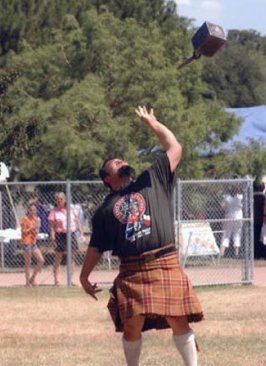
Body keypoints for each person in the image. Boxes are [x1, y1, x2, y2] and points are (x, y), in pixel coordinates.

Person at [80, 106, 203, 366]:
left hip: (164, 262)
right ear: (107, 179)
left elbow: (175, 147)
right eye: (115, 163)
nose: (121, 162)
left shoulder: (151, 179)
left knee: (177, 318)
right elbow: (96, 246)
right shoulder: (105, 209)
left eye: (122, 160)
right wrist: (83, 276)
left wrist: (153, 123)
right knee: (131, 326)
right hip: (133, 270)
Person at [48, 192, 84, 286]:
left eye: (61, 199)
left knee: (72, 258)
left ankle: (71, 279)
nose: (59, 201)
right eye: (57, 199)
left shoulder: (71, 209)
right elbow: (52, 227)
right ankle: (56, 280)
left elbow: (77, 221)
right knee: (58, 257)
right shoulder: (54, 211)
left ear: (65, 199)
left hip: (71, 234)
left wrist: (81, 233)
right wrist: (53, 238)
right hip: (60, 235)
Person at [20, 202, 44, 287]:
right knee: (28, 263)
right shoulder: (25, 219)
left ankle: (32, 278)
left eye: (34, 210)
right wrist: (32, 227)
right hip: (27, 242)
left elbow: (36, 231)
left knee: (41, 260)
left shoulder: (36, 219)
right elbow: (23, 231)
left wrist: (37, 229)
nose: (33, 211)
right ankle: (27, 282)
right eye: (31, 210)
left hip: (33, 243)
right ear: (28, 210)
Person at [220, 184, 243, 258]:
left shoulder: (227, 197)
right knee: (237, 234)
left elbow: (222, 206)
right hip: (239, 217)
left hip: (229, 216)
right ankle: (236, 253)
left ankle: (222, 252)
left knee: (226, 234)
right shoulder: (240, 197)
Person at [253, 181, 266, 259]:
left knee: (256, 237)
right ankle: (262, 253)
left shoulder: (251, 196)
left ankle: (256, 254)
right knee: (263, 237)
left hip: (255, 219)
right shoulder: (263, 197)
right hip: (262, 219)